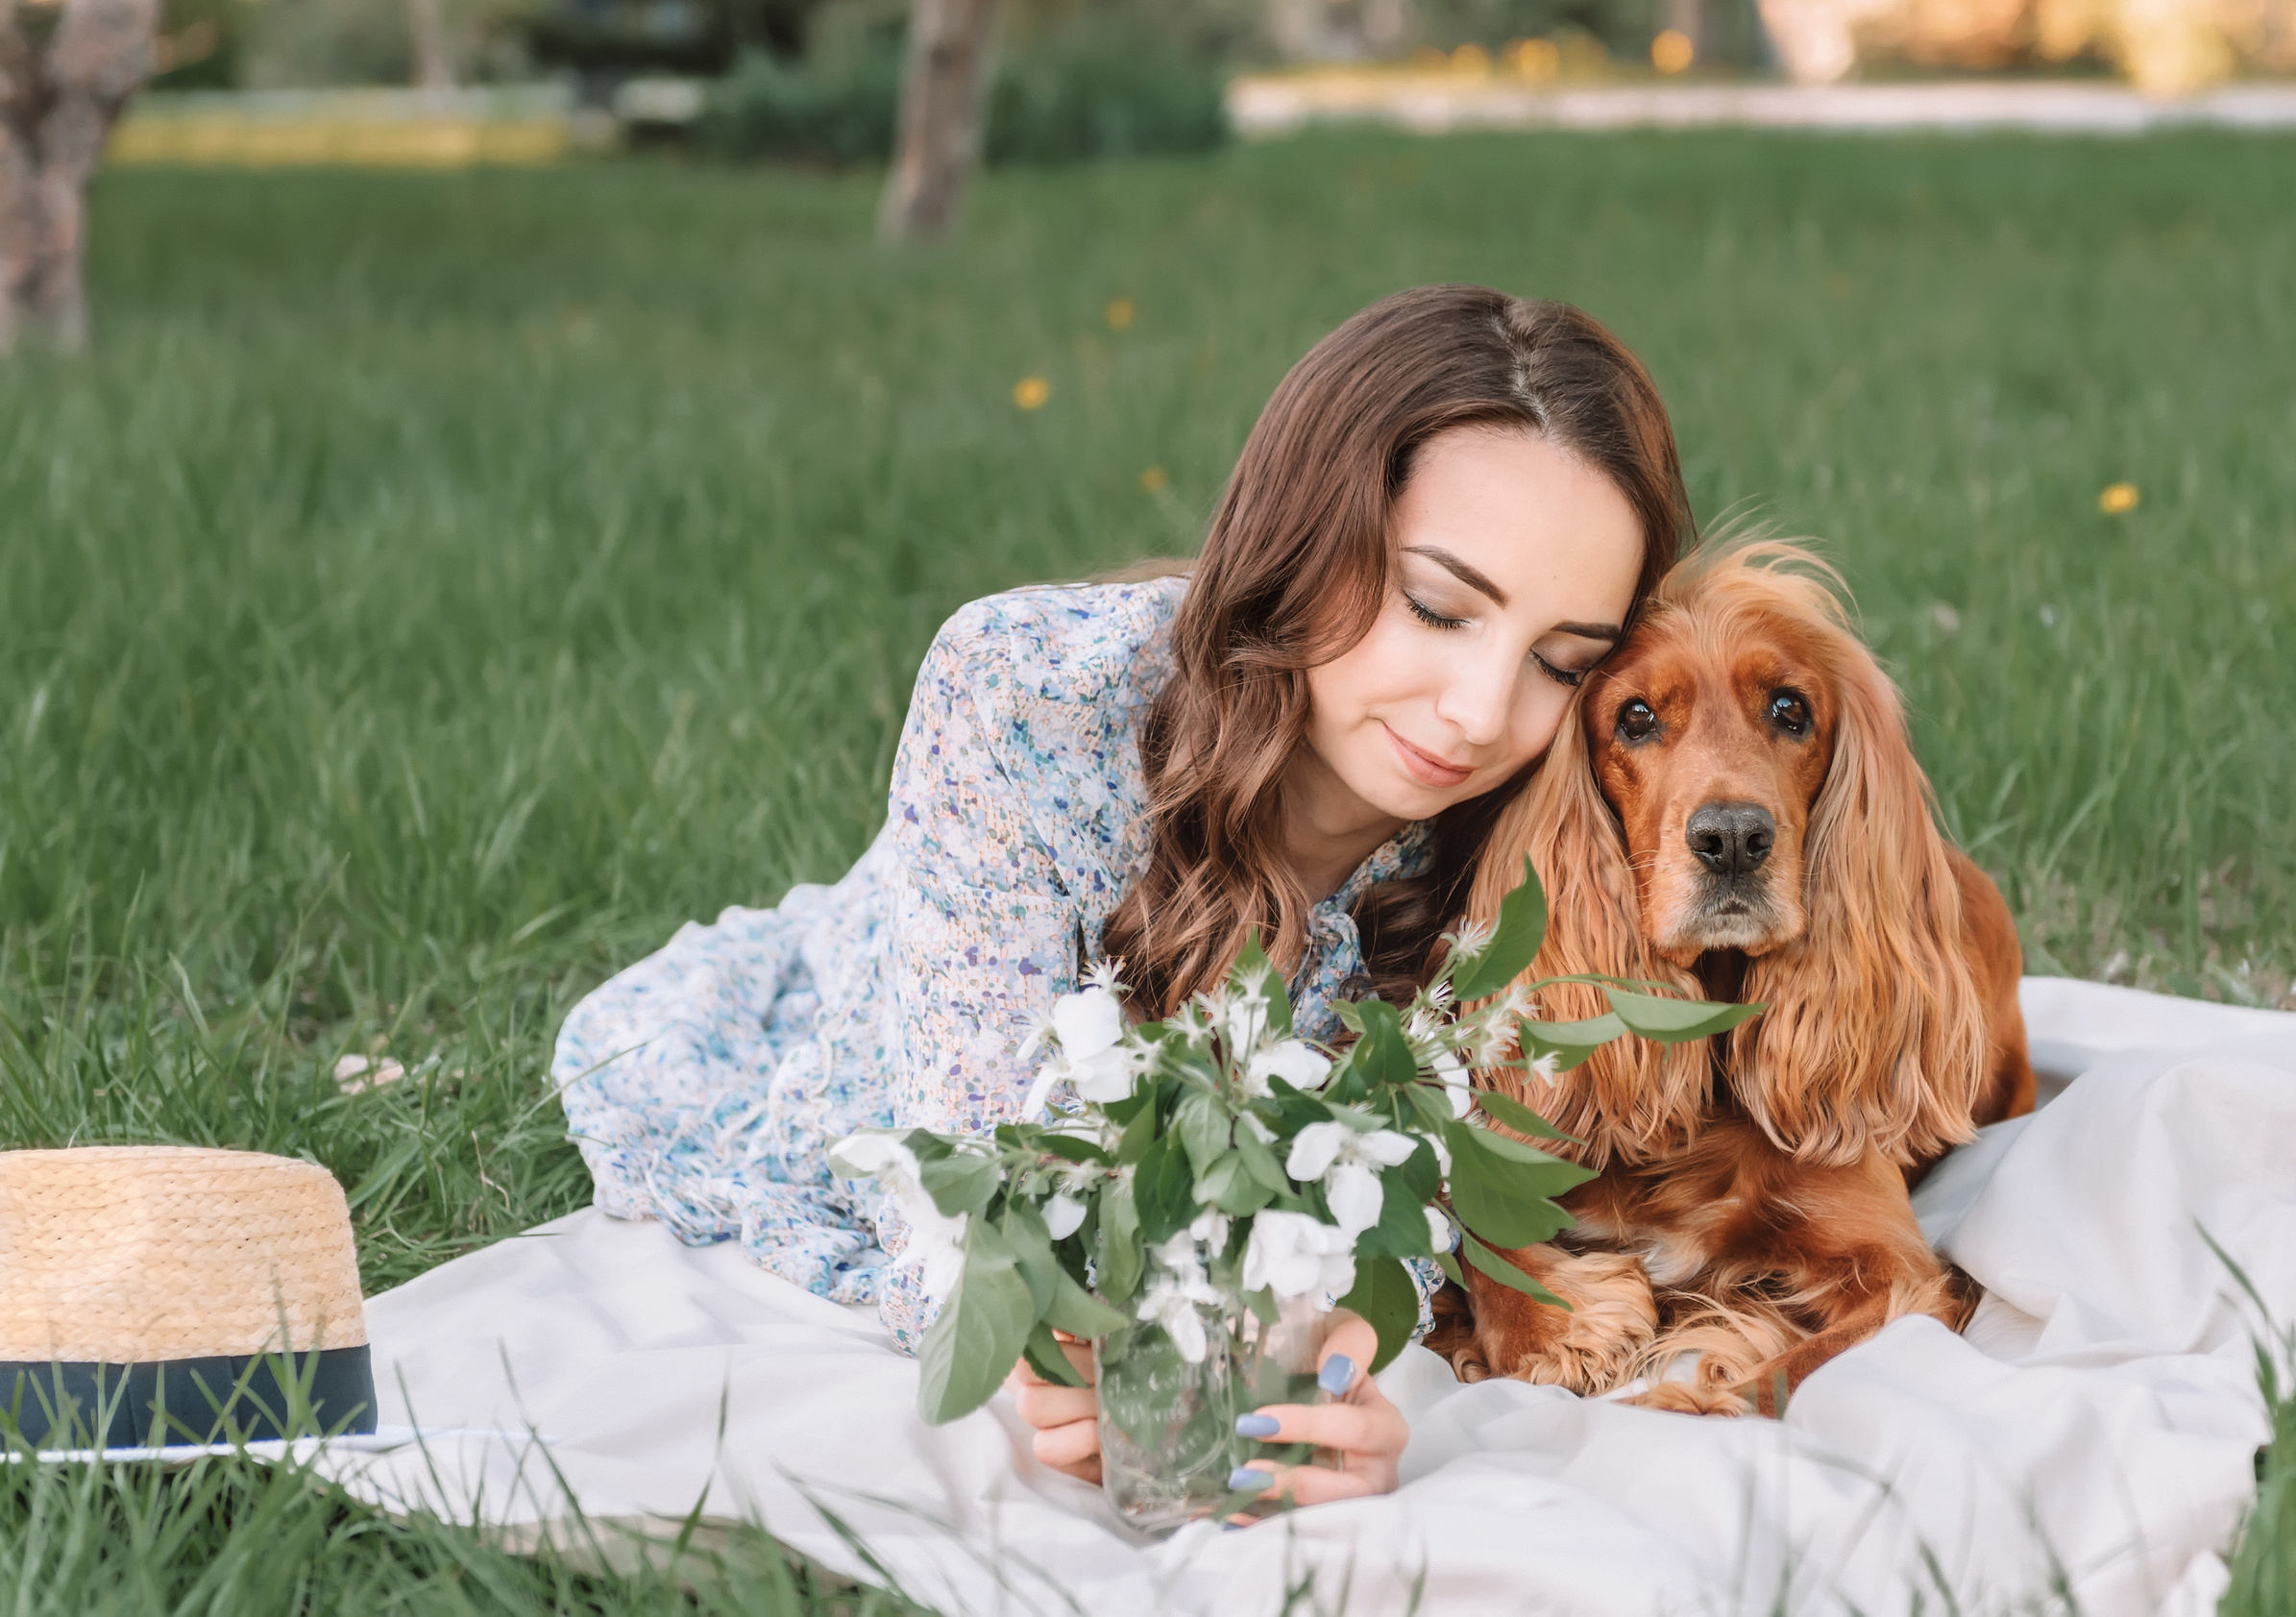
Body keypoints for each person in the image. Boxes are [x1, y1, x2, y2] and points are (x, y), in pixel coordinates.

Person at [553, 283, 1695, 1507]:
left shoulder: (1550, 819)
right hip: (934, 974)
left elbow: (1428, 1179)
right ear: (1312, 530)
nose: (1478, 714)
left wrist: (1339, 1360)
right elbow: (955, 1168)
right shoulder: (1023, 698)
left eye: (1560, 663)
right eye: (1435, 606)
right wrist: (1039, 1344)